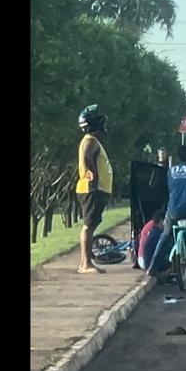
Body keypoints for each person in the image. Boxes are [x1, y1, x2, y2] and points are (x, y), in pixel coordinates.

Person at [148, 145, 186, 277]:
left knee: (165, 236)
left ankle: (152, 268)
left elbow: (169, 190)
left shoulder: (171, 171)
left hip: (174, 210)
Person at [75, 105, 112, 275]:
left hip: (98, 189)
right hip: (92, 188)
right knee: (88, 225)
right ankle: (85, 264)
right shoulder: (90, 140)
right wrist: (92, 174)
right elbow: (86, 157)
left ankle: (87, 260)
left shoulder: (94, 141)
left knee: (92, 223)